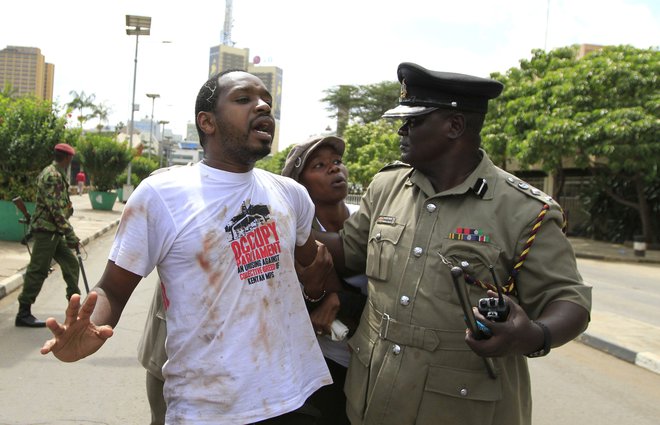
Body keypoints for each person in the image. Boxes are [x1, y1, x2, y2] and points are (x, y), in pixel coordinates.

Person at [40, 70, 343, 424]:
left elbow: (314, 267)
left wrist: (327, 293)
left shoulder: (290, 194)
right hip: (208, 407)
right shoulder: (161, 195)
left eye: (267, 101)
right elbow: (113, 288)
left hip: (294, 395)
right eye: (244, 99)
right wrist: (90, 326)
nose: (263, 106)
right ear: (207, 122)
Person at [316, 63, 592, 424]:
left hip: (458, 407)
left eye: (414, 121)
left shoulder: (523, 210)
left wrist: (533, 336)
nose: (402, 130)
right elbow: (347, 251)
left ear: (455, 126)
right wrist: (280, 224)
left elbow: (569, 300)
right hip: (373, 399)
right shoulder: (387, 187)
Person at [282, 136, 368, 425]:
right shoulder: (291, 235)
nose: (334, 169)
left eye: (337, 162)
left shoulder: (372, 221)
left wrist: (343, 300)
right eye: (319, 165)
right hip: (326, 363)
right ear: (299, 186)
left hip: (374, 361)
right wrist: (318, 295)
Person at [15, 143, 80, 328]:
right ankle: (23, 312)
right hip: (47, 231)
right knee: (38, 270)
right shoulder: (52, 175)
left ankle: (74, 308)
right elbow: (56, 210)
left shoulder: (55, 173)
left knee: (71, 264)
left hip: (54, 231)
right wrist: (71, 234)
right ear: (67, 158)